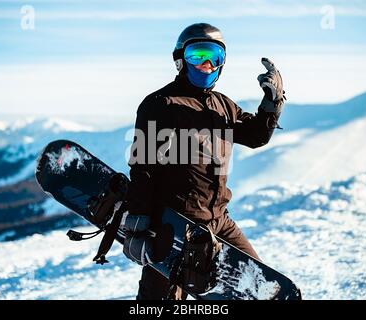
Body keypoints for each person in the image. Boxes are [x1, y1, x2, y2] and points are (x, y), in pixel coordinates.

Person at [121, 23, 285, 300]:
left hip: (219, 220)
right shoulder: (160, 104)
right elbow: (143, 167)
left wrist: (272, 101)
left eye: (215, 57)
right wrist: (138, 222)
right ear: (180, 60)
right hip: (173, 224)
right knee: (159, 299)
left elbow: (256, 136)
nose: (207, 64)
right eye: (198, 55)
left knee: (257, 284)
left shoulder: (224, 105)